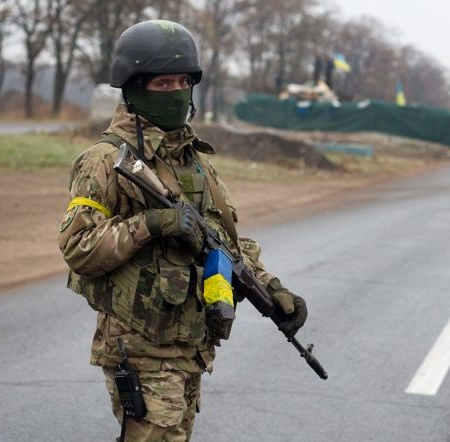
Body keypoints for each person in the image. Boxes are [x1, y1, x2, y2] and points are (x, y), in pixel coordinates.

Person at [58, 20, 308, 441]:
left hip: (190, 342)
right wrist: (151, 224)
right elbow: (78, 246)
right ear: (135, 89)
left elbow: (225, 244)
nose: (175, 92)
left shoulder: (195, 162)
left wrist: (272, 289)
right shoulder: (104, 161)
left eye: (181, 81)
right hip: (138, 344)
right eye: (162, 84)